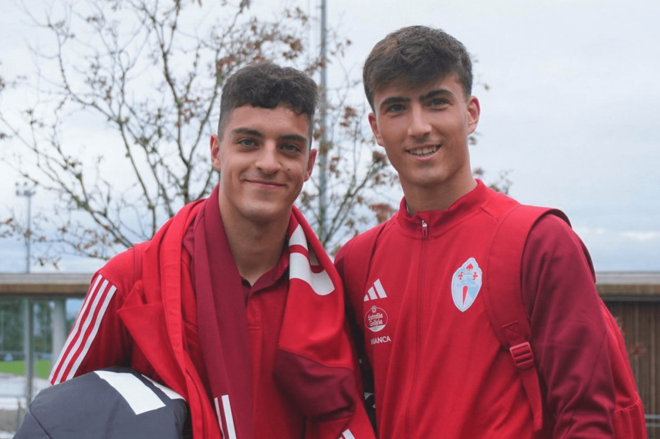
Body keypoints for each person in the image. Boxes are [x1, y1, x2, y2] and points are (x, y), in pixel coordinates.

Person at [50, 62, 375, 439]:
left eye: (289, 147)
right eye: (248, 142)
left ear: (309, 164)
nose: (268, 163)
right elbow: (56, 424)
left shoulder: (335, 295)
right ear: (217, 152)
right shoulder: (128, 281)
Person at [335, 26, 617, 438]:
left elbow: (588, 417)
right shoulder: (358, 261)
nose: (419, 127)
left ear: (470, 113)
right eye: (396, 108)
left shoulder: (539, 242)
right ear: (376, 128)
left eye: (436, 103)